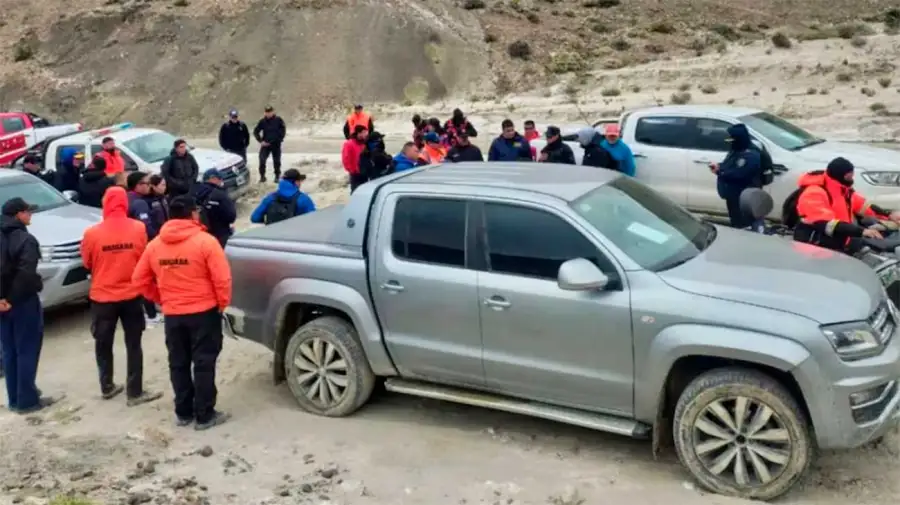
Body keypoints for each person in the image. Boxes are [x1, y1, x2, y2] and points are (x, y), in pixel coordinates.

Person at [132, 196, 233, 430]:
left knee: (178, 363)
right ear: (193, 214)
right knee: (204, 363)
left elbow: (139, 280)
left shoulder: (156, 245)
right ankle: (205, 414)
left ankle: (183, 411)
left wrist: (160, 298)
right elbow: (222, 278)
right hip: (204, 311)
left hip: (174, 314)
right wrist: (221, 304)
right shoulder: (206, 242)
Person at [80, 187, 162, 406]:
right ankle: (135, 392)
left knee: (103, 343)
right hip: (131, 295)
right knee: (134, 343)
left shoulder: (91, 233)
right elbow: (144, 257)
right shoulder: (138, 228)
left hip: (102, 297)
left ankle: (107, 386)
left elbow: (87, 263)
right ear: (124, 203)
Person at [0, 198, 59, 413]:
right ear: (18, 214)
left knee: (8, 350)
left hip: (2, 304)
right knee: (26, 349)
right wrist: (11, 300)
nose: (30, 215)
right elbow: (25, 274)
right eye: (27, 211)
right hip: (22, 301)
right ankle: (27, 400)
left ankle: (15, 398)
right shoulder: (25, 240)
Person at [790, 157, 898, 251]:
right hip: (816, 244)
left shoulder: (843, 190)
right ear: (840, 176)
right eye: (849, 177)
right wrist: (862, 231)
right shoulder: (814, 193)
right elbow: (826, 224)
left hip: (841, 237)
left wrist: (888, 215)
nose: (851, 179)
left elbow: (863, 206)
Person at [710, 124, 761, 228]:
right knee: (735, 221)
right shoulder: (736, 150)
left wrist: (720, 172)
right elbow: (730, 165)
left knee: (743, 225)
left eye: (732, 138)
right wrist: (720, 166)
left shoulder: (750, 155)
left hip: (743, 196)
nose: (730, 141)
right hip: (733, 196)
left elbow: (741, 174)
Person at [250, 169, 316, 225]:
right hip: (295, 236)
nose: (300, 184)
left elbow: (254, 218)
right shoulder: (304, 199)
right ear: (296, 182)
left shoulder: (270, 198)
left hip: (272, 237)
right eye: (299, 181)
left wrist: (268, 223)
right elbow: (314, 220)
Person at [194, 169, 237, 248]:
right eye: (220, 179)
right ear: (213, 178)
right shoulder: (220, 195)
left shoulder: (195, 193)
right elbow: (231, 216)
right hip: (221, 235)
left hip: (201, 235)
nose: (221, 181)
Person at [253, 105, 287, 183]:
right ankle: (262, 177)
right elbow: (256, 131)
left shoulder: (278, 120)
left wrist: (279, 139)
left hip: (276, 145)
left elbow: (283, 130)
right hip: (266, 145)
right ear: (265, 113)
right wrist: (261, 141)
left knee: (277, 161)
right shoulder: (262, 121)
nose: (268, 114)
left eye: (270, 112)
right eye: (267, 112)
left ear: (273, 112)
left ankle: (277, 176)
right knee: (262, 159)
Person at [342, 125, 369, 192]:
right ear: (358, 133)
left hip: (364, 172)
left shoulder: (364, 143)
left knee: (364, 191)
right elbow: (346, 159)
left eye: (366, 132)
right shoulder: (349, 144)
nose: (366, 134)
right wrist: (352, 170)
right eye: (364, 132)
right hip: (355, 173)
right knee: (355, 191)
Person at [147, 175, 169, 239]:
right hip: (156, 235)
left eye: (165, 185)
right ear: (154, 186)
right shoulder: (147, 201)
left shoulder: (164, 199)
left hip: (166, 231)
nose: (165, 187)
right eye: (163, 185)